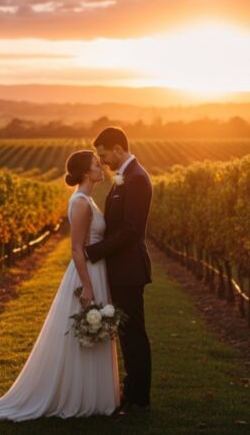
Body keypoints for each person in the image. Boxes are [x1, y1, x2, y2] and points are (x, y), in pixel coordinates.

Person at [0, 150, 119, 421]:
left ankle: (92, 395)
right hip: (87, 273)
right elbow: (76, 249)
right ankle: (79, 395)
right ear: (86, 172)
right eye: (97, 165)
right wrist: (87, 286)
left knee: (92, 332)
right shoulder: (81, 202)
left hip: (96, 270)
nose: (101, 168)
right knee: (85, 332)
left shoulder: (86, 199)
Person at [85, 126, 153, 414]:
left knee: (133, 333)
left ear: (117, 148)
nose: (102, 162)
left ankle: (139, 398)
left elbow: (131, 230)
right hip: (121, 268)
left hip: (129, 269)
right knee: (126, 332)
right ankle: (131, 390)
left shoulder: (137, 178)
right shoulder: (126, 176)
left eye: (104, 155)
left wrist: (94, 251)